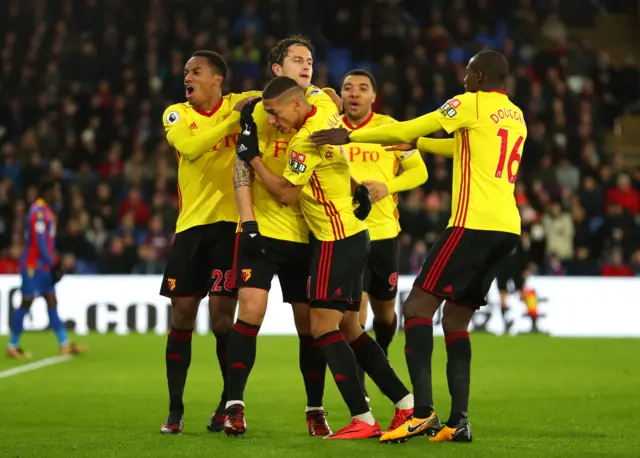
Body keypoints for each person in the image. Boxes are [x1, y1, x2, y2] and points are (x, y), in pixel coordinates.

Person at [310, 50, 526, 443]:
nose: (462, 80)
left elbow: (406, 126)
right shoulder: (515, 115)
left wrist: (355, 135)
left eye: (466, 74)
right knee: (457, 321)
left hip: (471, 223)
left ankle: (422, 413)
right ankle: (458, 422)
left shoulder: (469, 102)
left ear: (478, 76)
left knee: (415, 308)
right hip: (507, 227)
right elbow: (462, 150)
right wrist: (419, 143)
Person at [237, 76, 415, 440]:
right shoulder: (326, 114)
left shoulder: (305, 140)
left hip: (335, 240)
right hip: (355, 235)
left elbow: (286, 194)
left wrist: (252, 157)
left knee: (322, 328)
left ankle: (362, 418)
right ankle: (406, 404)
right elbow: (329, 97)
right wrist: (356, 188)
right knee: (350, 328)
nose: (271, 121)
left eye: (274, 112)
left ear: (296, 104)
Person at [224, 35, 338, 437]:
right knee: (250, 314)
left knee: (309, 326)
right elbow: (241, 166)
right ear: (277, 69)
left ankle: (315, 409)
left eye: (310, 59)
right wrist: (248, 222)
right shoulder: (257, 110)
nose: (306, 65)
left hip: (306, 231)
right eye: (297, 60)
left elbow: (333, 104)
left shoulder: (322, 103)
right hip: (262, 229)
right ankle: (233, 405)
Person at [158, 50, 260, 435]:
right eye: (185, 71)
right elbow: (190, 147)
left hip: (229, 228)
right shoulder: (177, 113)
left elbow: (285, 94)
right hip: (191, 228)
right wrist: (233, 121)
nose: (187, 77)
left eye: (195, 71)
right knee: (182, 315)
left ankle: (226, 404)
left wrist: (326, 93)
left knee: (222, 322)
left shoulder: (240, 101)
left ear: (217, 78)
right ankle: (175, 408)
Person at [339, 69, 428, 397]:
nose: (354, 93)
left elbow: (420, 172)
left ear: (373, 97)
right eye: (348, 88)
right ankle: (361, 385)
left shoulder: (390, 129)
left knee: (385, 314)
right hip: (346, 234)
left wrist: (387, 187)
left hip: (384, 234)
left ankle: (384, 347)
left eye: (362, 88)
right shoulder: (329, 130)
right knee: (355, 314)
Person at [5, 180, 86, 359]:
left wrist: (52, 261)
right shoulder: (38, 212)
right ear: (46, 192)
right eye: (55, 191)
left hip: (43, 265)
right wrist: (53, 262)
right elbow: (39, 241)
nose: (57, 194)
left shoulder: (46, 211)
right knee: (27, 302)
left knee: (51, 300)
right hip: (34, 265)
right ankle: (12, 345)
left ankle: (64, 344)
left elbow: (47, 242)